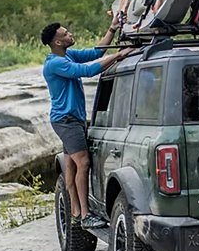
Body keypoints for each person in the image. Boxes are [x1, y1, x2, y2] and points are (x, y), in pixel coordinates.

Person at [42, 20, 132, 229]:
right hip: (66, 120)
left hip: (72, 119)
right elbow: (88, 70)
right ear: (57, 42)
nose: (70, 34)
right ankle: (85, 215)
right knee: (83, 163)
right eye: (65, 34)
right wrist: (118, 55)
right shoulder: (55, 63)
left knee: (72, 167)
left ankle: (75, 210)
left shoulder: (67, 55)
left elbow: (95, 53)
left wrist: (112, 29)